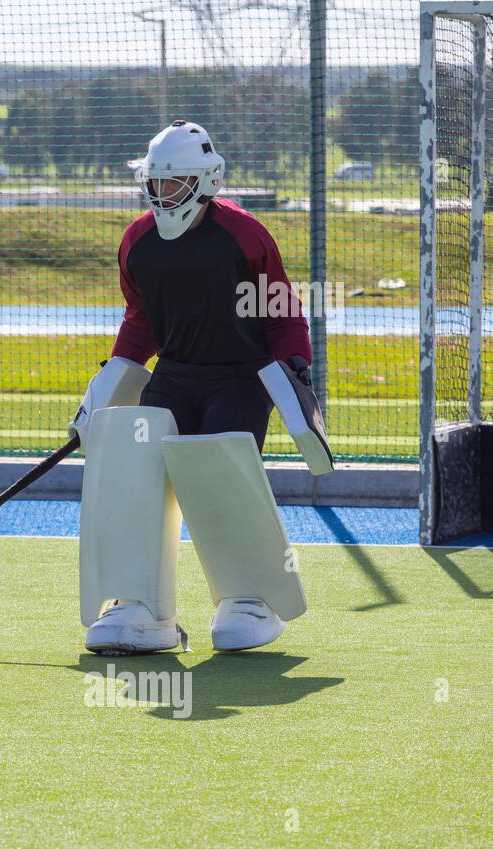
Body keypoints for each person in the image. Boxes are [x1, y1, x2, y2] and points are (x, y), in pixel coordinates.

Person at [79, 120, 314, 655]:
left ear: (206, 181)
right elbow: (141, 318)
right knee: (135, 469)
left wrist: (295, 367)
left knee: (220, 473)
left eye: (175, 183)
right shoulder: (137, 241)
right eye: (155, 184)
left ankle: (248, 598)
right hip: (175, 375)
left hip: (239, 376)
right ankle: (141, 607)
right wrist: (111, 377)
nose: (163, 194)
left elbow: (279, 309)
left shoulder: (244, 234)